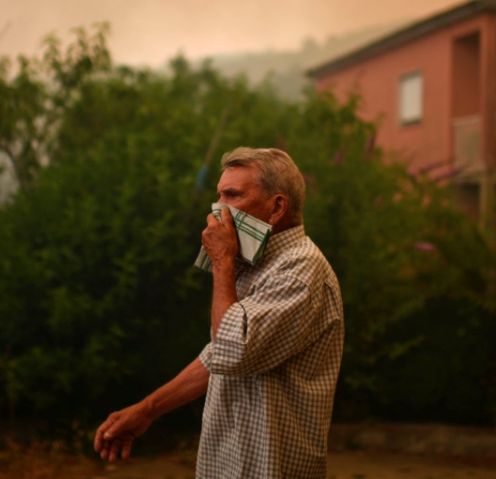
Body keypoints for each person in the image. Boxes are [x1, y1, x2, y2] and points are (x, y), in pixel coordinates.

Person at [95, 147, 344, 478]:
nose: (218, 211)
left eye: (233, 195)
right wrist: (146, 410)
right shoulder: (258, 264)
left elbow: (232, 351)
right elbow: (217, 358)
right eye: (219, 196)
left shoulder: (300, 269)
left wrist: (223, 262)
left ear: (277, 207)